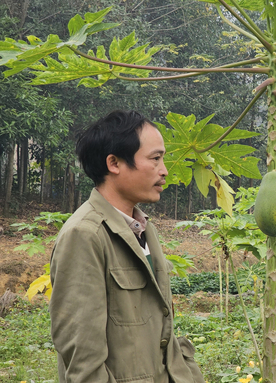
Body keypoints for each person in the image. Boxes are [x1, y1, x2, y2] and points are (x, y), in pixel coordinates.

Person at [49, 110, 205, 383]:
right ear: (114, 163)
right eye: (155, 158)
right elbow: (83, 362)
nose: (164, 170)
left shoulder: (143, 228)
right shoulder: (84, 235)